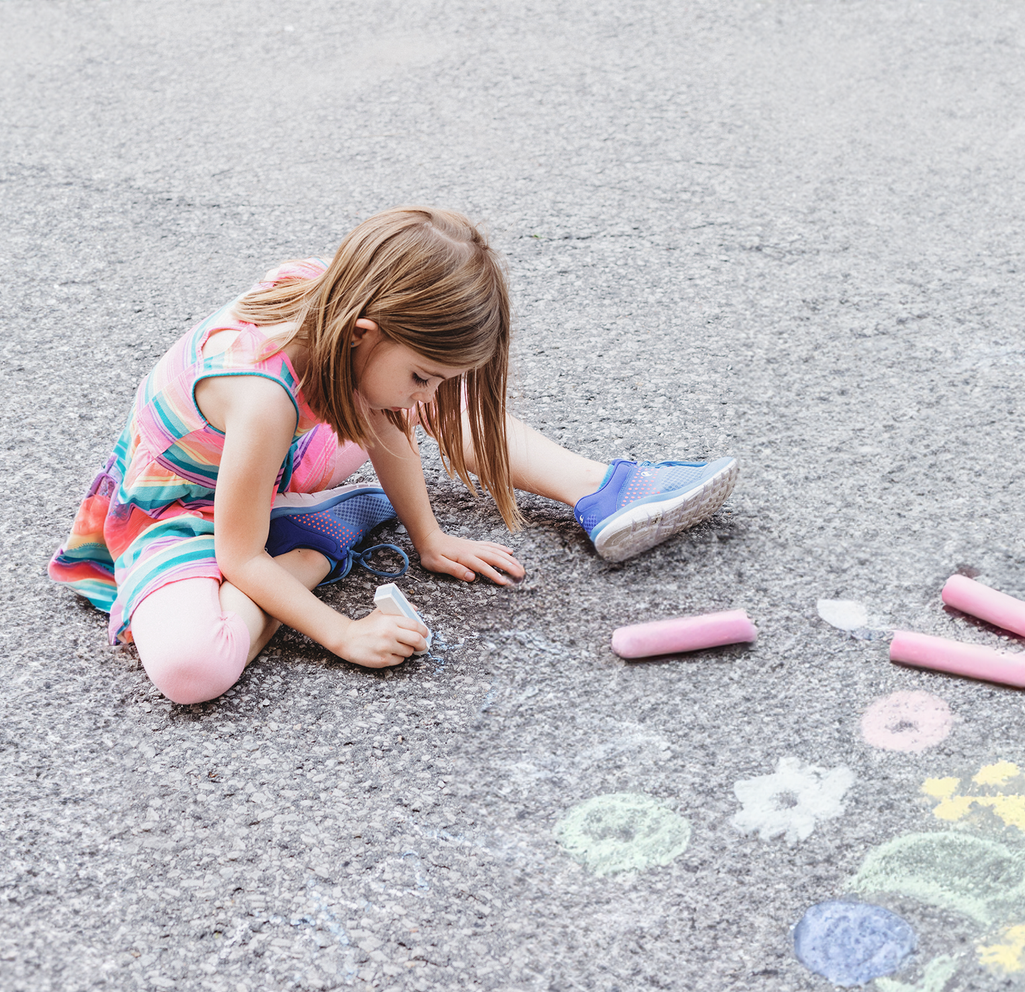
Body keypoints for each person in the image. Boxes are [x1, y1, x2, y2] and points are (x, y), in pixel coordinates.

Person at [49, 206, 739, 704]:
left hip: (287, 463)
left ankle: (603, 491)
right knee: (192, 672)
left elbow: (383, 415)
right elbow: (239, 555)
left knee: (401, 394)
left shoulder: (347, 302)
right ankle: (314, 545)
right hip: (185, 508)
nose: (430, 397)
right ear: (362, 331)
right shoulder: (261, 396)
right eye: (424, 375)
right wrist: (341, 633)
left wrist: (429, 536)